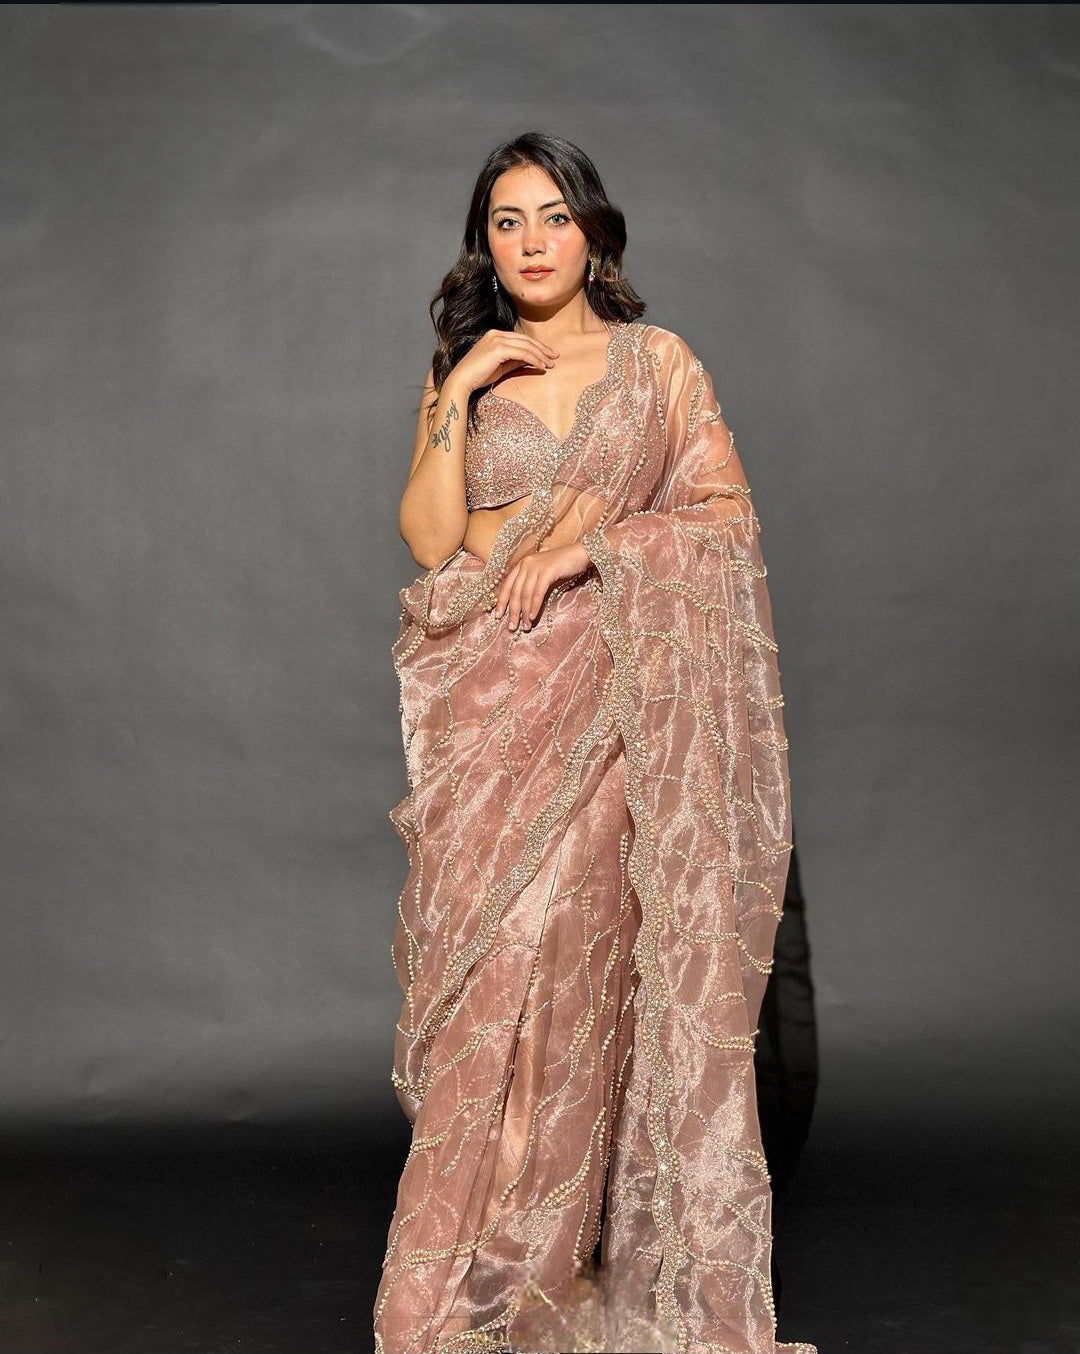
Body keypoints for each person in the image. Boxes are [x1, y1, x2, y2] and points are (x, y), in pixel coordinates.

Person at [375, 130, 816, 1354]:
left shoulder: (658, 364)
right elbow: (431, 540)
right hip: (488, 699)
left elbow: (721, 519)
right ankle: (463, 1282)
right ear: (485, 243)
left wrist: (591, 550)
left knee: (569, 969)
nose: (531, 242)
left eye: (552, 217)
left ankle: (530, 1268)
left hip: (616, 694)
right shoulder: (470, 368)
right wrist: (459, 389)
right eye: (506, 221)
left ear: (594, 231)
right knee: (485, 983)